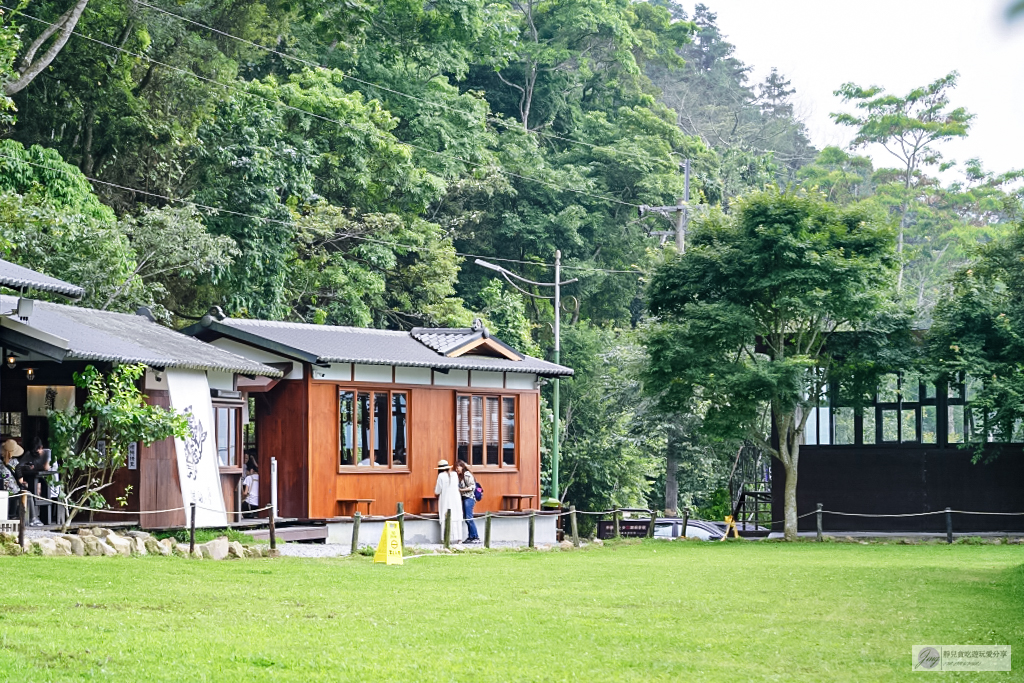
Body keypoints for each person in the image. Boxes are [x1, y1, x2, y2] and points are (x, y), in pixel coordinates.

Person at [16, 437, 48, 526]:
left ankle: (35, 516)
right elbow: (20, 465)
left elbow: (47, 468)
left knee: (37, 488)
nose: (35, 453)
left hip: (45, 480)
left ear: (41, 447)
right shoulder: (28, 454)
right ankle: (34, 517)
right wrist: (27, 467)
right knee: (32, 488)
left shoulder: (46, 453)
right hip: (31, 479)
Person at [433, 459, 464, 543]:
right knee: (456, 516)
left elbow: (437, 490)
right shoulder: (454, 474)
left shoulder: (441, 476)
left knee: (445, 516)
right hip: (456, 499)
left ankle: (445, 538)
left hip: (446, 499)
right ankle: (459, 538)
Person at [455, 460, 480, 543]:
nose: (456, 469)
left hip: (469, 498)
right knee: (466, 518)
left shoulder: (467, 474)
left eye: (458, 467)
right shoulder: (460, 476)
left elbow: (472, 487)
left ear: (462, 467)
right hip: (465, 498)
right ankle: (471, 536)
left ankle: (475, 536)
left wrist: (461, 490)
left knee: (469, 518)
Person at [2, 439, 23, 519]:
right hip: (13, 492)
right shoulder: (15, 463)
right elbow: (20, 480)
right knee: (22, 491)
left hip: (1, 491)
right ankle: (14, 515)